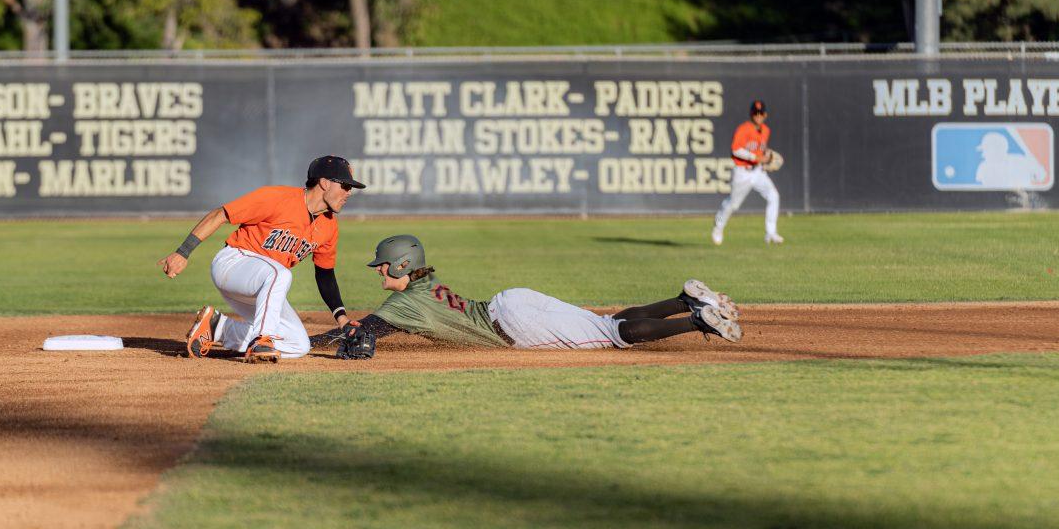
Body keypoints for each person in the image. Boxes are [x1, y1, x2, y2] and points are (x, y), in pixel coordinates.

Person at [314, 234, 743, 358]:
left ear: (403, 265)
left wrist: (307, 345)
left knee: (613, 334)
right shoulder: (422, 284)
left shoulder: (401, 303)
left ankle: (698, 320)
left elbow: (359, 333)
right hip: (511, 301)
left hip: (516, 326)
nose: (380, 271)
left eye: (384, 265)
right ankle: (684, 301)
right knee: (605, 323)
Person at [157, 155, 365, 362]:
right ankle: (262, 340)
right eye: (345, 186)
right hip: (234, 263)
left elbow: (325, 273)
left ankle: (218, 328)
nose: (349, 193)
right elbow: (221, 214)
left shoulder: (329, 226)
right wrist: (183, 252)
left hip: (264, 286)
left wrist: (342, 318)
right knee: (280, 274)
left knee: (298, 345)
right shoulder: (277, 198)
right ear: (324, 182)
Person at [712, 99, 784, 245]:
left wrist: (765, 160)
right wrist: (756, 157)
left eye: (760, 113)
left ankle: (771, 232)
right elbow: (736, 149)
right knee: (732, 204)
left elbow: (760, 150)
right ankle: (718, 226)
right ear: (751, 114)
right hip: (742, 172)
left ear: (765, 115)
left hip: (758, 172)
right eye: (755, 112)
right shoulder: (743, 129)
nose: (758, 115)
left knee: (773, 196)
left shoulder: (766, 130)